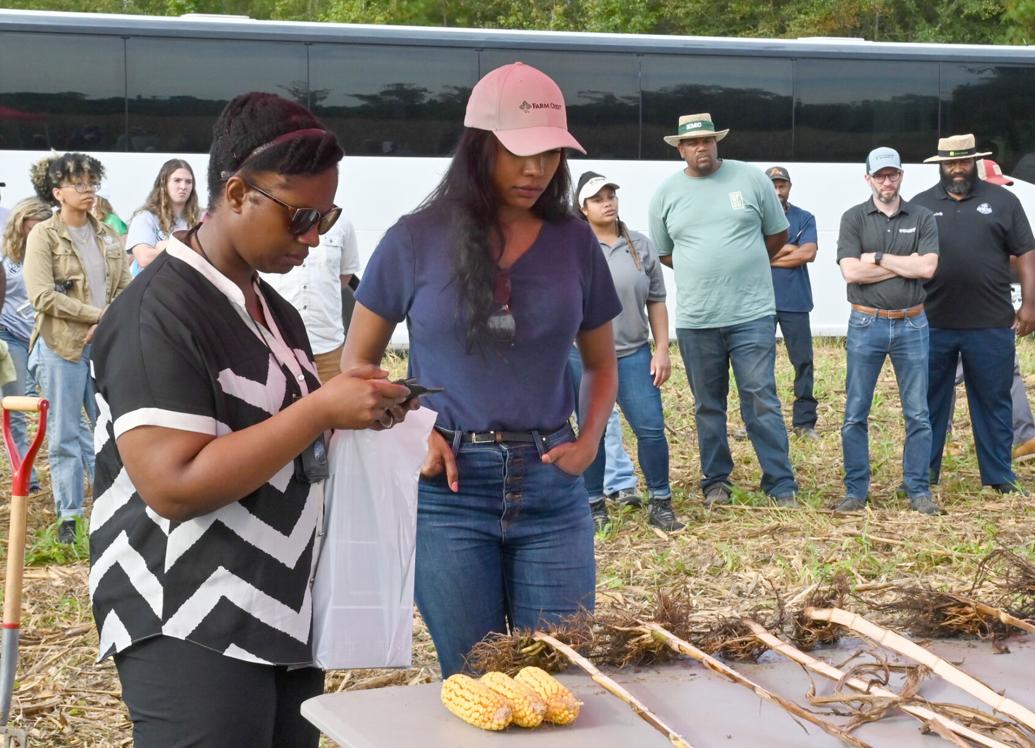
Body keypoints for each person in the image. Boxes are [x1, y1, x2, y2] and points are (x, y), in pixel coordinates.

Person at [88, 92, 413, 748]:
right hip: (187, 615)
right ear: (236, 193)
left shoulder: (274, 311)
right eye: (300, 217)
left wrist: (361, 417)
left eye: (327, 216)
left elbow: (276, 436)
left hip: (281, 609)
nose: (315, 237)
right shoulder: (161, 312)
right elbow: (172, 484)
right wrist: (320, 407)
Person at [342, 62, 621, 678]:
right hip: (450, 494)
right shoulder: (414, 238)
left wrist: (590, 441)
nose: (536, 169)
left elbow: (602, 364)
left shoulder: (575, 242)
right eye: (518, 152)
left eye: (550, 153)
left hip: (553, 490)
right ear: (478, 147)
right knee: (476, 682)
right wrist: (416, 430)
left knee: (559, 676)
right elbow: (357, 364)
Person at [648, 113, 797, 508]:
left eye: (708, 141)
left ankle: (780, 483)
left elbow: (777, 233)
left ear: (717, 143)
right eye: (693, 143)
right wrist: (706, 269)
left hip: (752, 313)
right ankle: (716, 481)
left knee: (761, 396)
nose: (702, 147)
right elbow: (665, 252)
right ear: (679, 149)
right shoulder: (665, 194)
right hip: (698, 319)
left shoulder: (751, 179)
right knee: (708, 404)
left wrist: (742, 262)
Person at [911, 134, 1035, 494]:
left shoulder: (1003, 201)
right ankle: (923, 475)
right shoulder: (920, 206)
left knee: (994, 400)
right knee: (928, 401)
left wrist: (1029, 304)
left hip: (990, 323)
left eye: (963, 161)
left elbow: (1026, 253)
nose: (957, 168)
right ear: (940, 166)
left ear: (974, 162)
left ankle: (999, 476)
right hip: (933, 323)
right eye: (950, 162)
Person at [24, 153, 131, 543]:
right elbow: (41, 296)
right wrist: (96, 316)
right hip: (60, 347)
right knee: (66, 432)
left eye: (92, 183)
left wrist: (106, 321)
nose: (88, 191)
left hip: (103, 346)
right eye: (79, 184)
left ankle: (114, 505)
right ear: (58, 192)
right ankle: (69, 517)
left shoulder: (106, 234)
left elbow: (124, 289)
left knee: (112, 426)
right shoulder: (44, 235)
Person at [570, 170, 682, 532]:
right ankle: (593, 505)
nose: (608, 203)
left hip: (634, 353)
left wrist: (662, 349)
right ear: (583, 208)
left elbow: (657, 300)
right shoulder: (570, 246)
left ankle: (661, 502)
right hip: (584, 359)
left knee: (650, 429)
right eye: (598, 198)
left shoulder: (640, 245)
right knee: (592, 432)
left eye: (611, 195)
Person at [834, 147, 940, 514]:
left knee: (917, 412)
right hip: (866, 322)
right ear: (868, 179)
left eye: (892, 174)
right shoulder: (853, 218)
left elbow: (927, 269)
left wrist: (877, 257)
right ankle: (855, 491)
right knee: (855, 411)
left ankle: (917, 489)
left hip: (913, 322)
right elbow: (851, 272)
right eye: (880, 175)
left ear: (901, 176)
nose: (887, 181)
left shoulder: (923, 217)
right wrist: (905, 264)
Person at [261, 214, 360, 383]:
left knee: (335, 408)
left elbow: (344, 276)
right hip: (277, 348)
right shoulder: (271, 218)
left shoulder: (342, 223)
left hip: (328, 350)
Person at [1, 197, 52, 493]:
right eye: (34, 225)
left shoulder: (45, 249)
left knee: (55, 409)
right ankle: (25, 477)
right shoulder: (6, 256)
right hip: (11, 335)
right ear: (22, 222)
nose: (38, 231)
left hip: (41, 335)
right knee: (16, 410)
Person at [765, 166, 820, 438]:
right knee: (758, 365)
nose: (777, 191)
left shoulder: (804, 217)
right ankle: (760, 419)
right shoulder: (753, 219)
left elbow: (808, 254)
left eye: (781, 185)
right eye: (772, 185)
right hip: (759, 302)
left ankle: (804, 422)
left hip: (795, 302)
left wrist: (768, 256)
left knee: (803, 362)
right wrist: (789, 247)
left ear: (789, 187)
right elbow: (747, 254)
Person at [126, 158, 200, 275]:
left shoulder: (199, 219)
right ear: (163, 183)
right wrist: (181, 246)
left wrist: (162, 248)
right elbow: (144, 258)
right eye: (177, 180)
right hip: (152, 289)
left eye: (188, 182)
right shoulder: (145, 218)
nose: (183, 186)